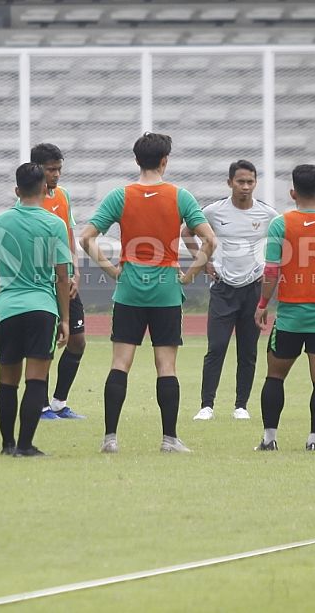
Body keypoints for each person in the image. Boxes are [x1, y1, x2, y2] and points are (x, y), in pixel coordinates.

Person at [79, 132, 217, 454]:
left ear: (137, 160)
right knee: (166, 366)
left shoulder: (120, 196)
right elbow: (210, 241)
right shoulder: (180, 196)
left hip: (129, 291)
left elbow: (86, 238)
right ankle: (169, 439)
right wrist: (190, 274)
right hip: (166, 291)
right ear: (165, 161)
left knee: (120, 363)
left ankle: (110, 439)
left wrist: (112, 269)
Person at [252, 164, 315, 451]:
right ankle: (314, 440)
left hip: (290, 318)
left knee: (275, 376)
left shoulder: (281, 224)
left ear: (292, 192)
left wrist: (262, 304)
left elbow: (272, 271)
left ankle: (270, 439)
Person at [0, 163, 71, 456]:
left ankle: (7, 444)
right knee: (36, 379)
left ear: (16, 190)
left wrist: (4, 295)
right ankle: (25, 445)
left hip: (8, 309)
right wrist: (65, 319)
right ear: (46, 190)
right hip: (42, 309)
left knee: (7, 380)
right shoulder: (54, 224)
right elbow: (62, 277)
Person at [184, 159, 277, 421]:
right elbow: (186, 232)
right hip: (223, 289)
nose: (245, 187)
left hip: (253, 289)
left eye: (250, 182)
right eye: (240, 182)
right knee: (217, 346)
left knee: (248, 350)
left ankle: (241, 406)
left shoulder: (267, 215)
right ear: (229, 183)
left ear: (255, 183)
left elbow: (282, 240)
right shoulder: (214, 211)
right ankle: (207, 405)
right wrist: (203, 263)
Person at [31, 142, 87, 420]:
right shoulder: (28, 202)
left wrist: (76, 271)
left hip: (67, 280)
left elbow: (69, 236)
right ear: (37, 169)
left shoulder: (62, 196)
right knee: (45, 344)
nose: (56, 174)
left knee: (77, 341)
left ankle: (58, 402)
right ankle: (40, 405)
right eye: (51, 169)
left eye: (58, 169)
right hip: (43, 282)